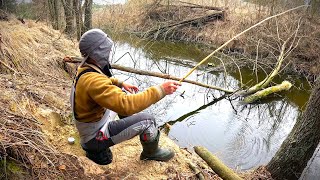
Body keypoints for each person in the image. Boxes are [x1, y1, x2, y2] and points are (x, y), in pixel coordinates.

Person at [70, 29, 181, 165]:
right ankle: (150, 153)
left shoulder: (85, 69)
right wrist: (161, 90)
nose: (109, 53)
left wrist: (120, 83)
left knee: (120, 98)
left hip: (91, 127)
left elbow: (102, 81)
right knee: (149, 121)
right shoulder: (92, 81)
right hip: (94, 137)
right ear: (99, 51)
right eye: (107, 49)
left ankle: (124, 129)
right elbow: (126, 104)